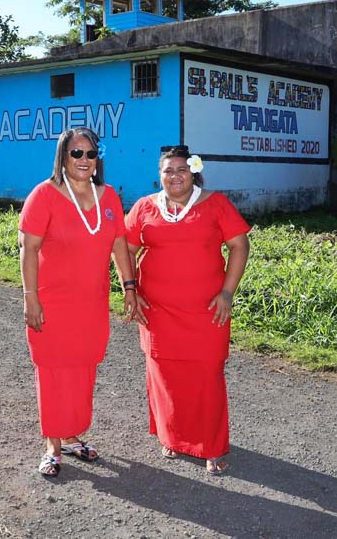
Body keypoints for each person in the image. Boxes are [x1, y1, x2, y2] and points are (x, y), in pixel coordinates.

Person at [18, 127, 141, 477]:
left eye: (90, 153)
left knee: (83, 369)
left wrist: (129, 286)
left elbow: (119, 245)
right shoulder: (44, 195)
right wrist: (31, 298)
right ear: (63, 157)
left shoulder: (110, 196)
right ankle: (52, 446)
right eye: (76, 153)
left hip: (91, 304)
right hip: (52, 303)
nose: (84, 160)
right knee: (53, 371)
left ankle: (72, 436)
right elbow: (29, 250)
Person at [124, 145, 251, 476]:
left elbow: (239, 244)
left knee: (207, 377)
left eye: (181, 169)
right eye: (168, 170)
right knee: (165, 377)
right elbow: (125, 249)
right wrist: (130, 289)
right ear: (159, 174)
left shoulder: (215, 204)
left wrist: (227, 292)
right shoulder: (144, 207)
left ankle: (212, 446)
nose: (175, 175)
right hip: (158, 313)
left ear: (193, 172)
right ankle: (174, 437)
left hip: (207, 312)